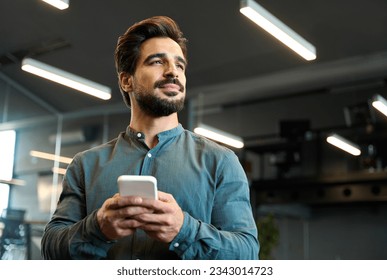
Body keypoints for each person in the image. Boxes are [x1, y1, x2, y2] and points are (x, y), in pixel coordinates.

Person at [41, 15, 259, 260]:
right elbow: (51, 248)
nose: (172, 72)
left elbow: (246, 254)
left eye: (180, 65)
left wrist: (183, 230)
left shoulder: (220, 162)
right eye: (157, 62)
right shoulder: (85, 165)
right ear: (126, 81)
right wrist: (98, 228)